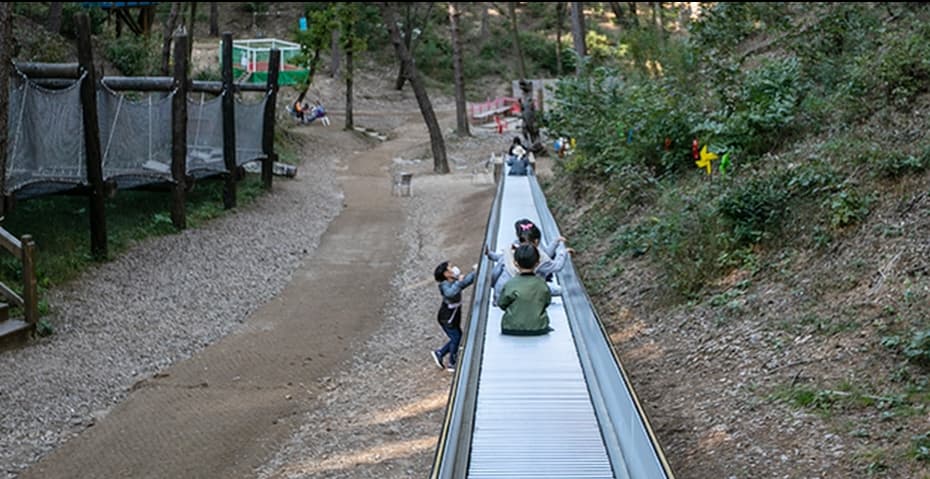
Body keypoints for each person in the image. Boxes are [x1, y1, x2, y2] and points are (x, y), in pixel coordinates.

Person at [431, 260, 476, 372]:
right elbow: (450, 293)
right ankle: (452, 362)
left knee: (457, 337)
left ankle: (440, 353)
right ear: (446, 274)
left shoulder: (455, 281)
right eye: (450, 267)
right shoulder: (445, 285)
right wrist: (459, 282)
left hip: (453, 315)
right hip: (447, 317)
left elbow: (465, 282)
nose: (454, 268)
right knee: (456, 337)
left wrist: (475, 273)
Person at [498, 244, 552, 336]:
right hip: (538, 327)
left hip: (511, 327)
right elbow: (547, 302)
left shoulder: (510, 284)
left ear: (515, 263)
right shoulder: (542, 284)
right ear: (537, 263)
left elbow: (502, 304)